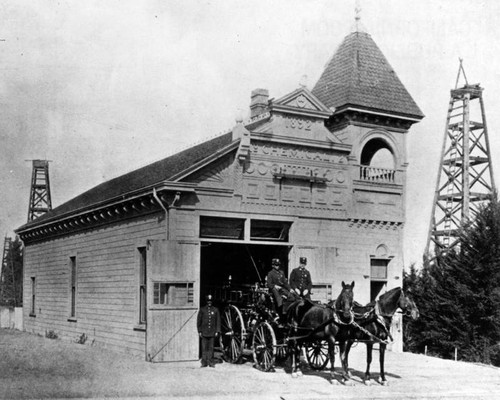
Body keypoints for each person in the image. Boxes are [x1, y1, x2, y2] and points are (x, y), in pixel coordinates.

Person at [266, 258, 296, 323]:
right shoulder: (270, 273)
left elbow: (285, 283)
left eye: (278, 265)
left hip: (281, 289)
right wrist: (274, 286)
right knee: (279, 300)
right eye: (276, 265)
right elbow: (269, 284)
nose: (277, 266)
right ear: (273, 265)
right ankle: (280, 313)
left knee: (292, 297)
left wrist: (290, 289)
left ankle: (287, 313)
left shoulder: (281, 272)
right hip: (273, 290)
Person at [197, 294, 221, 368]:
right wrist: (200, 331)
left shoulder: (215, 310)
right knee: (204, 348)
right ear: (206, 301)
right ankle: (204, 362)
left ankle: (211, 362)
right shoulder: (202, 310)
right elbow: (199, 321)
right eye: (208, 301)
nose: (209, 302)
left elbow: (218, 321)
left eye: (210, 301)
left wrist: (217, 331)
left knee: (211, 348)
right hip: (204, 332)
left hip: (212, 332)